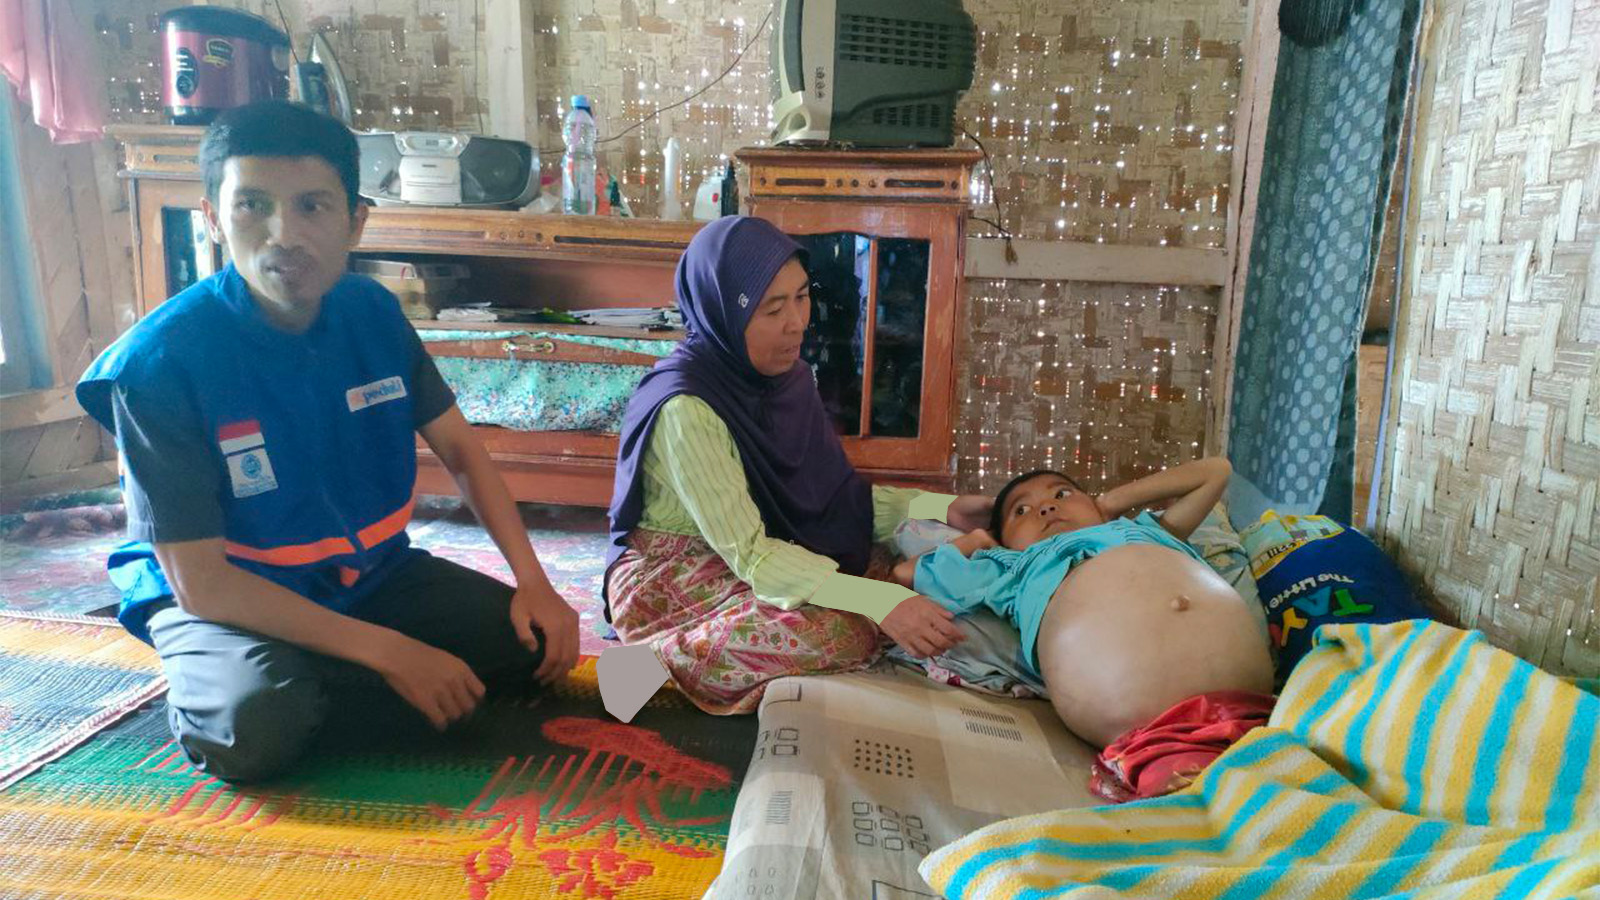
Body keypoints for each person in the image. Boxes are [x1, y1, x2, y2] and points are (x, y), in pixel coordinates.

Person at [74, 101, 581, 783]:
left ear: (356, 221)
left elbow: (462, 452)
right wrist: (393, 653)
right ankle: (255, 682)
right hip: (230, 596)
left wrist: (535, 583)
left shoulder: (372, 313)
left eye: (312, 206)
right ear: (213, 218)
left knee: (533, 645)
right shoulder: (157, 365)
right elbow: (202, 584)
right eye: (253, 205)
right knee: (257, 725)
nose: (284, 234)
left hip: (363, 574)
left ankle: (323, 678)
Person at [602, 215, 993, 715]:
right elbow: (751, 553)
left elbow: (836, 502)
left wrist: (945, 507)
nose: (797, 323)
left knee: (888, 563)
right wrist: (878, 603)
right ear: (723, 313)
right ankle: (649, 663)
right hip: (675, 576)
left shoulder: (789, 381)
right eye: (772, 309)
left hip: (760, 551)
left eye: (802, 297)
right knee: (843, 630)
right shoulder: (687, 409)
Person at [893, 458, 1276, 801]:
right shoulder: (1008, 567)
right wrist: (975, 541)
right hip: (1143, 725)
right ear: (1004, 539)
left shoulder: (1146, 529)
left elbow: (1215, 471)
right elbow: (905, 573)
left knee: (1272, 778)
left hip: (1248, 698)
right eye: (1020, 511)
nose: (1046, 507)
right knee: (1223, 806)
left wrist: (1109, 503)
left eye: (1062, 494)